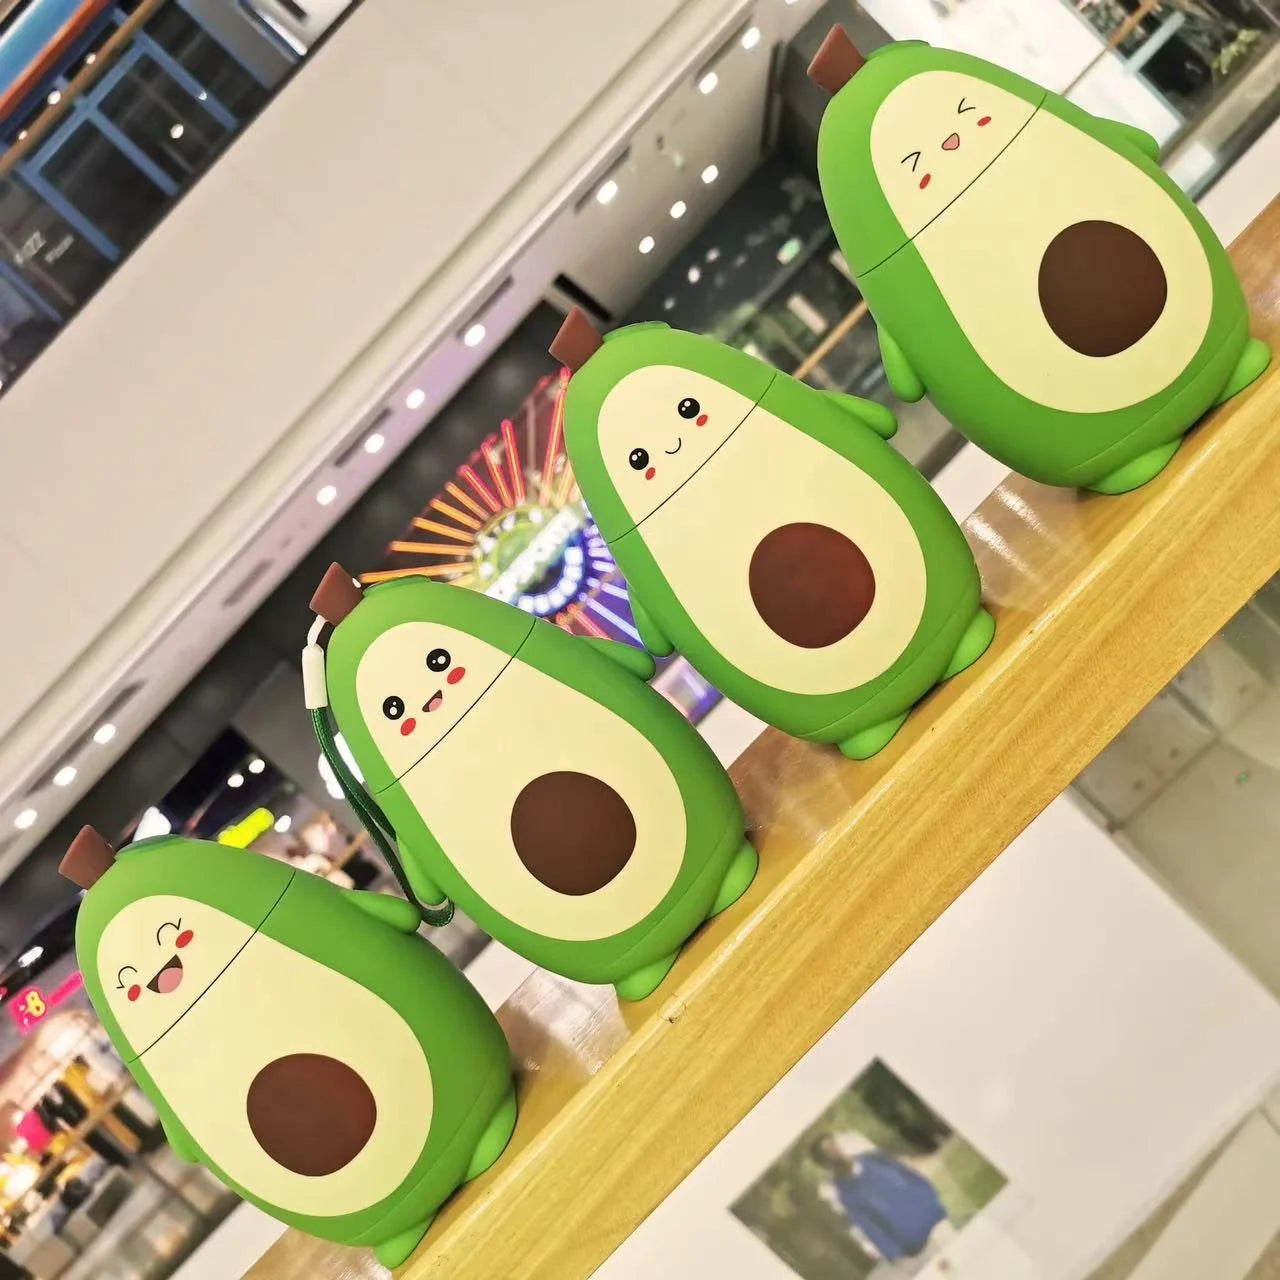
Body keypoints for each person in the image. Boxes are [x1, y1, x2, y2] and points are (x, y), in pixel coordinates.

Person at [810, 1132, 948, 1266]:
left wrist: (932, 1199)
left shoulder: (874, 1158)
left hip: (936, 1223)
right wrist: (894, 1254)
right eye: (828, 1153)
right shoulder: (847, 1195)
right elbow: (868, 1227)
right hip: (916, 1248)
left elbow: (909, 1173)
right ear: (825, 1164)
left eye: (833, 1146)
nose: (836, 1152)